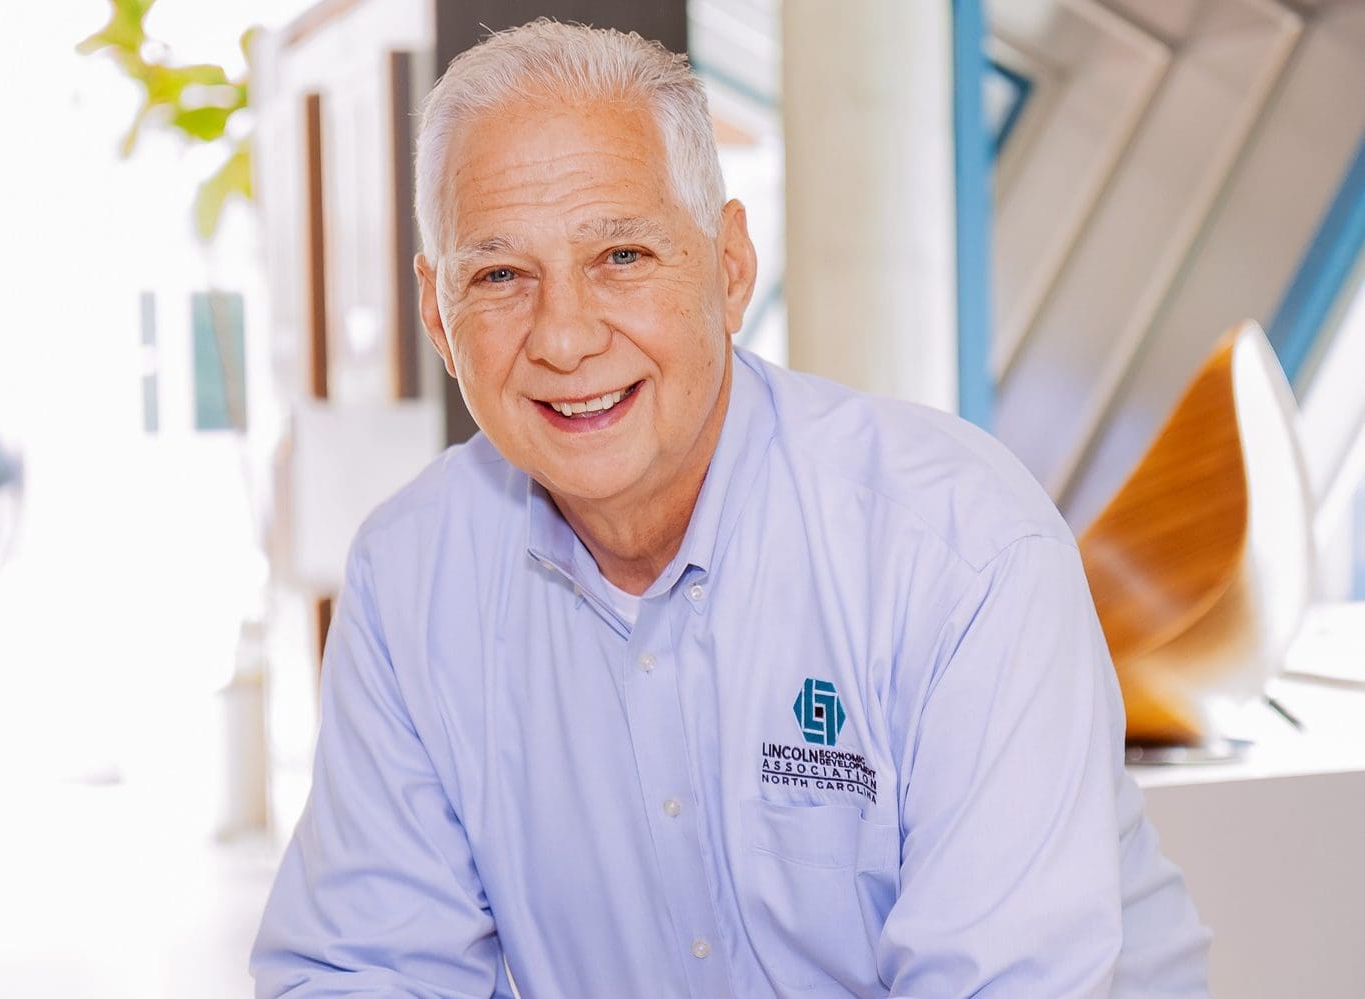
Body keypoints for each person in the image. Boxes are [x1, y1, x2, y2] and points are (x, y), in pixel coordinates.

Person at [252, 19, 1209, 998]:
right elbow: (365, 968)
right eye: (499, 275)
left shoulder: (957, 550)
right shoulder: (411, 575)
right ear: (436, 313)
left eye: (621, 255)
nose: (566, 337)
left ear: (732, 266)